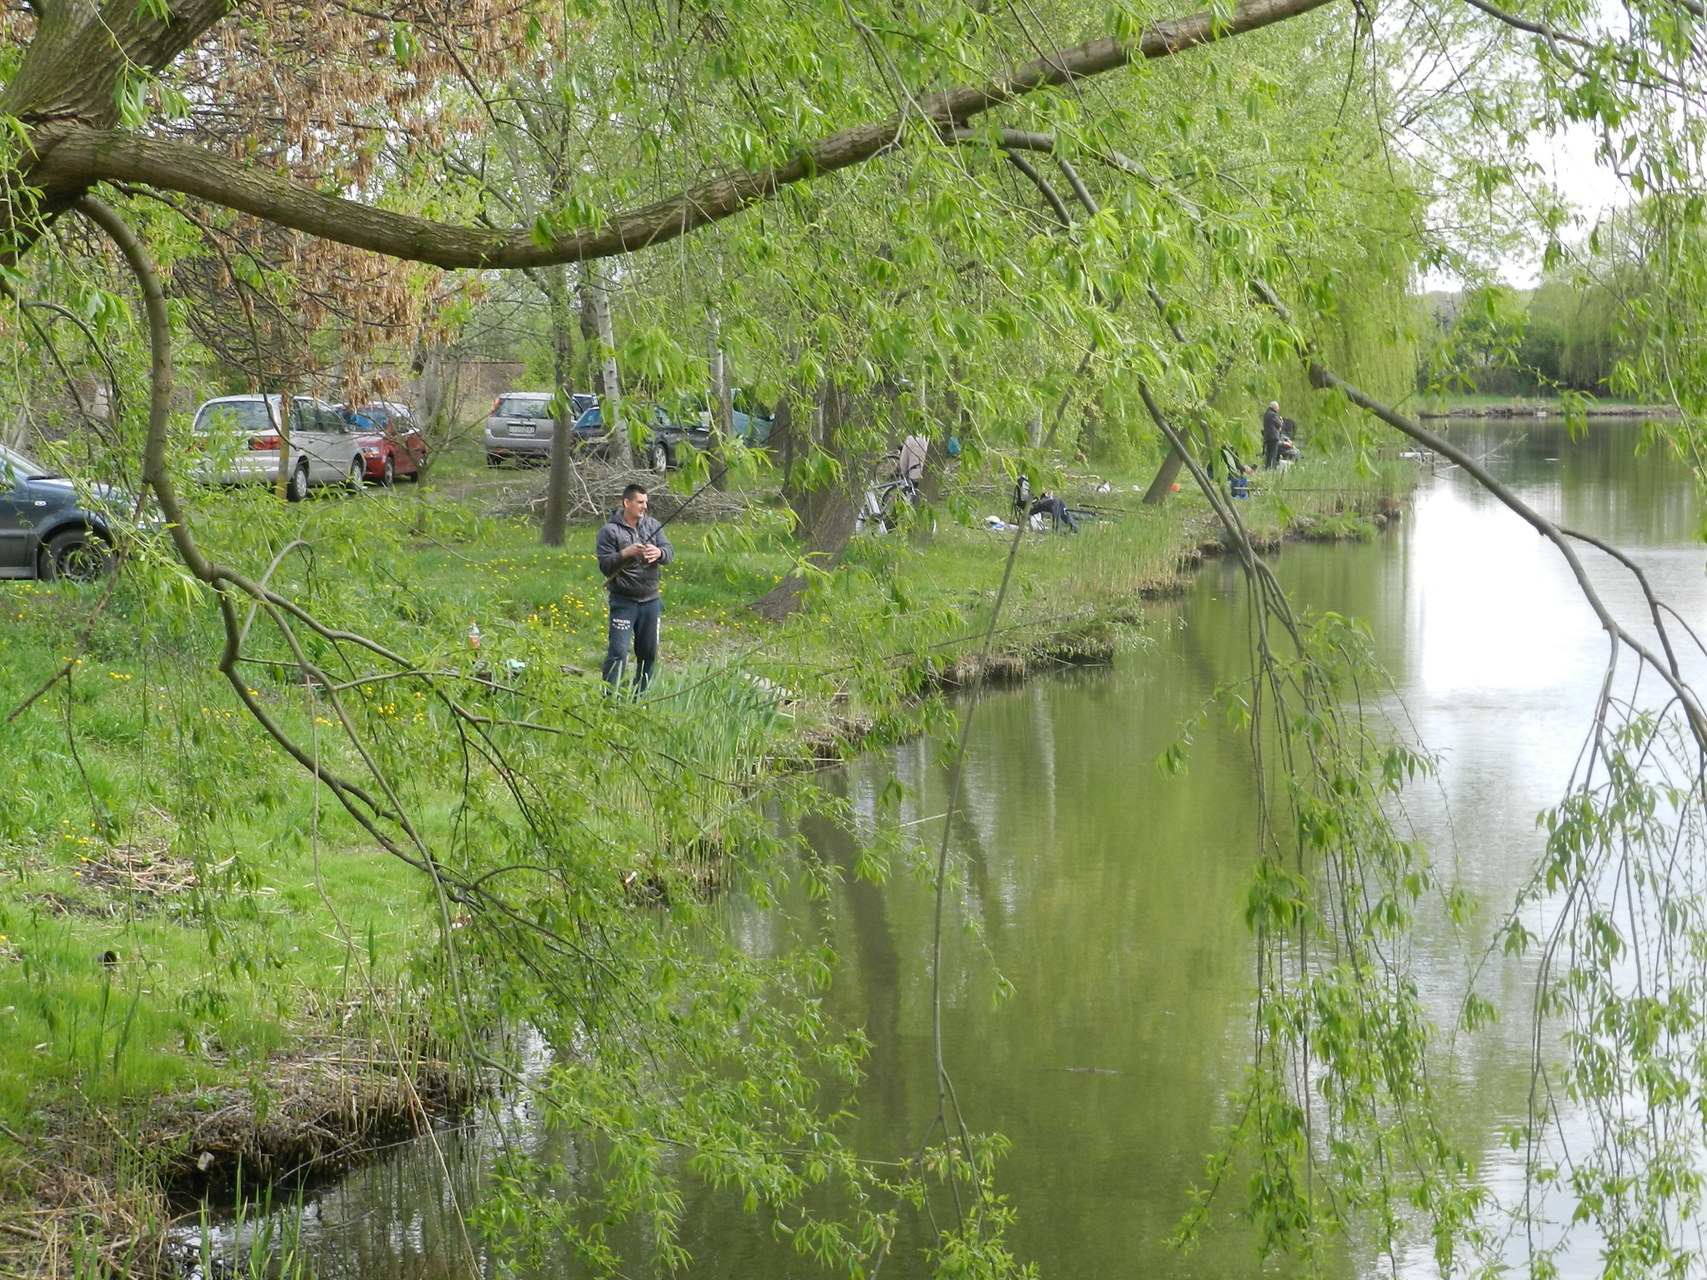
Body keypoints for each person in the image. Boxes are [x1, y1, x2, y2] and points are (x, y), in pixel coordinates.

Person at [595, 483, 674, 692]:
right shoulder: (609, 531)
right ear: (626, 502)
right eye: (640, 502)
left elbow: (669, 552)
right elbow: (605, 566)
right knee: (618, 652)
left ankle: (641, 697)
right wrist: (625, 553)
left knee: (648, 653)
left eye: (646, 502)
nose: (644, 506)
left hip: (651, 601)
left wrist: (659, 553)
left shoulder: (653, 525)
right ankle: (609, 697)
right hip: (623, 602)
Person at [1261, 400, 1285, 469]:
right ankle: (1271, 467)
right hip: (1273, 437)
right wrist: (1281, 420)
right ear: (1274, 407)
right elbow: (1279, 424)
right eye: (1277, 407)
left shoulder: (1266, 413)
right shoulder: (1273, 415)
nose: (1278, 409)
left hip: (1267, 436)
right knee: (1273, 453)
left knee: (1268, 452)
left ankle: (1267, 466)